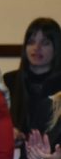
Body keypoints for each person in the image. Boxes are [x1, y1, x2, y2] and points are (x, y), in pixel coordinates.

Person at [4, 17, 61, 150]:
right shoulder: (9, 80)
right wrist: (9, 132)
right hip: (15, 153)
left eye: (45, 43)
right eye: (31, 42)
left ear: (57, 47)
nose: (36, 48)